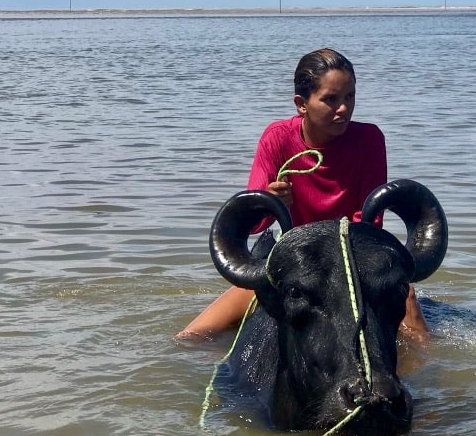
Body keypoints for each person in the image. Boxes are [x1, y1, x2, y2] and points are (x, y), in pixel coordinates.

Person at [175, 47, 429, 341]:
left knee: (419, 335)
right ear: (301, 104)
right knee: (191, 336)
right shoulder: (277, 137)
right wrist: (270, 203)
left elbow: (369, 222)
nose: (344, 108)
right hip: (295, 259)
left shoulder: (370, 139)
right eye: (331, 99)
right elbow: (253, 223)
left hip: (353, 256)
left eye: (350, 97)